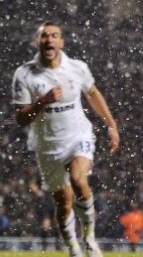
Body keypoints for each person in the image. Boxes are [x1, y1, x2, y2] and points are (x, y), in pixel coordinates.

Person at [11, 21, 120, 257]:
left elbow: (92, 93)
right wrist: (42, 101)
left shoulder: (76, 68)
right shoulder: (24, 74)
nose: (49, 39)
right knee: (63, 204)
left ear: (61, 42)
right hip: (47, 145)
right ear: (37, 42)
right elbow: (20, 118)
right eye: (44, 36)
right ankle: (73, 249)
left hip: (78, 135)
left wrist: (111, 124)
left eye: (54, 36)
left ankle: (89, 238)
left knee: (79, 179)